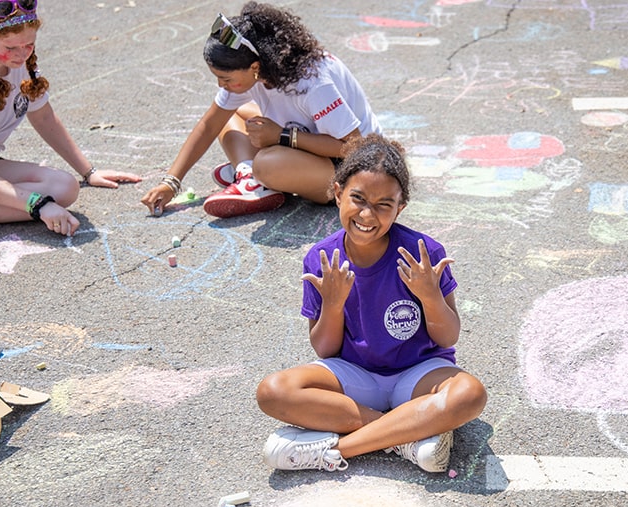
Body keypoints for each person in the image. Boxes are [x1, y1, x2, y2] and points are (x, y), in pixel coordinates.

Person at [256, 135, 488, 473]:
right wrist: (333, 305)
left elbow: (447, 338)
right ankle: (407, 434)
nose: (368, 214)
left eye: (384, 204)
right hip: (355, 378)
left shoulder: (425, 254)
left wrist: (429, 295)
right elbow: (324, 348)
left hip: (417, 375)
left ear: (400, 207)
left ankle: (337, 449)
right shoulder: (322, 258)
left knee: (470, 394)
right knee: (273, 391)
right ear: (337, 194)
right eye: (358, 198)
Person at [0, 0, 140, 243]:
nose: (21, 54)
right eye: (11, 47)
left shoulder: (17, 60)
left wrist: (89, 172)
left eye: (29, 44)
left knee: (64, 187)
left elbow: (43, 116)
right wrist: (37, 204)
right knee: (44, 198)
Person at [141, 2, 382, 219]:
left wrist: (282, 136)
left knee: (267, 164)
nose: (220, 85)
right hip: (313, 151)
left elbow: (353, 147)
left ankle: (261, 175)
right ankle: (249, 176)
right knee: (230, 112)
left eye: (225, 78)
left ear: (255, 67)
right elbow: (209, 125)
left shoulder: (313, 84)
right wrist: (171, 182)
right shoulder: (263, 71)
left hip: (350, 172)